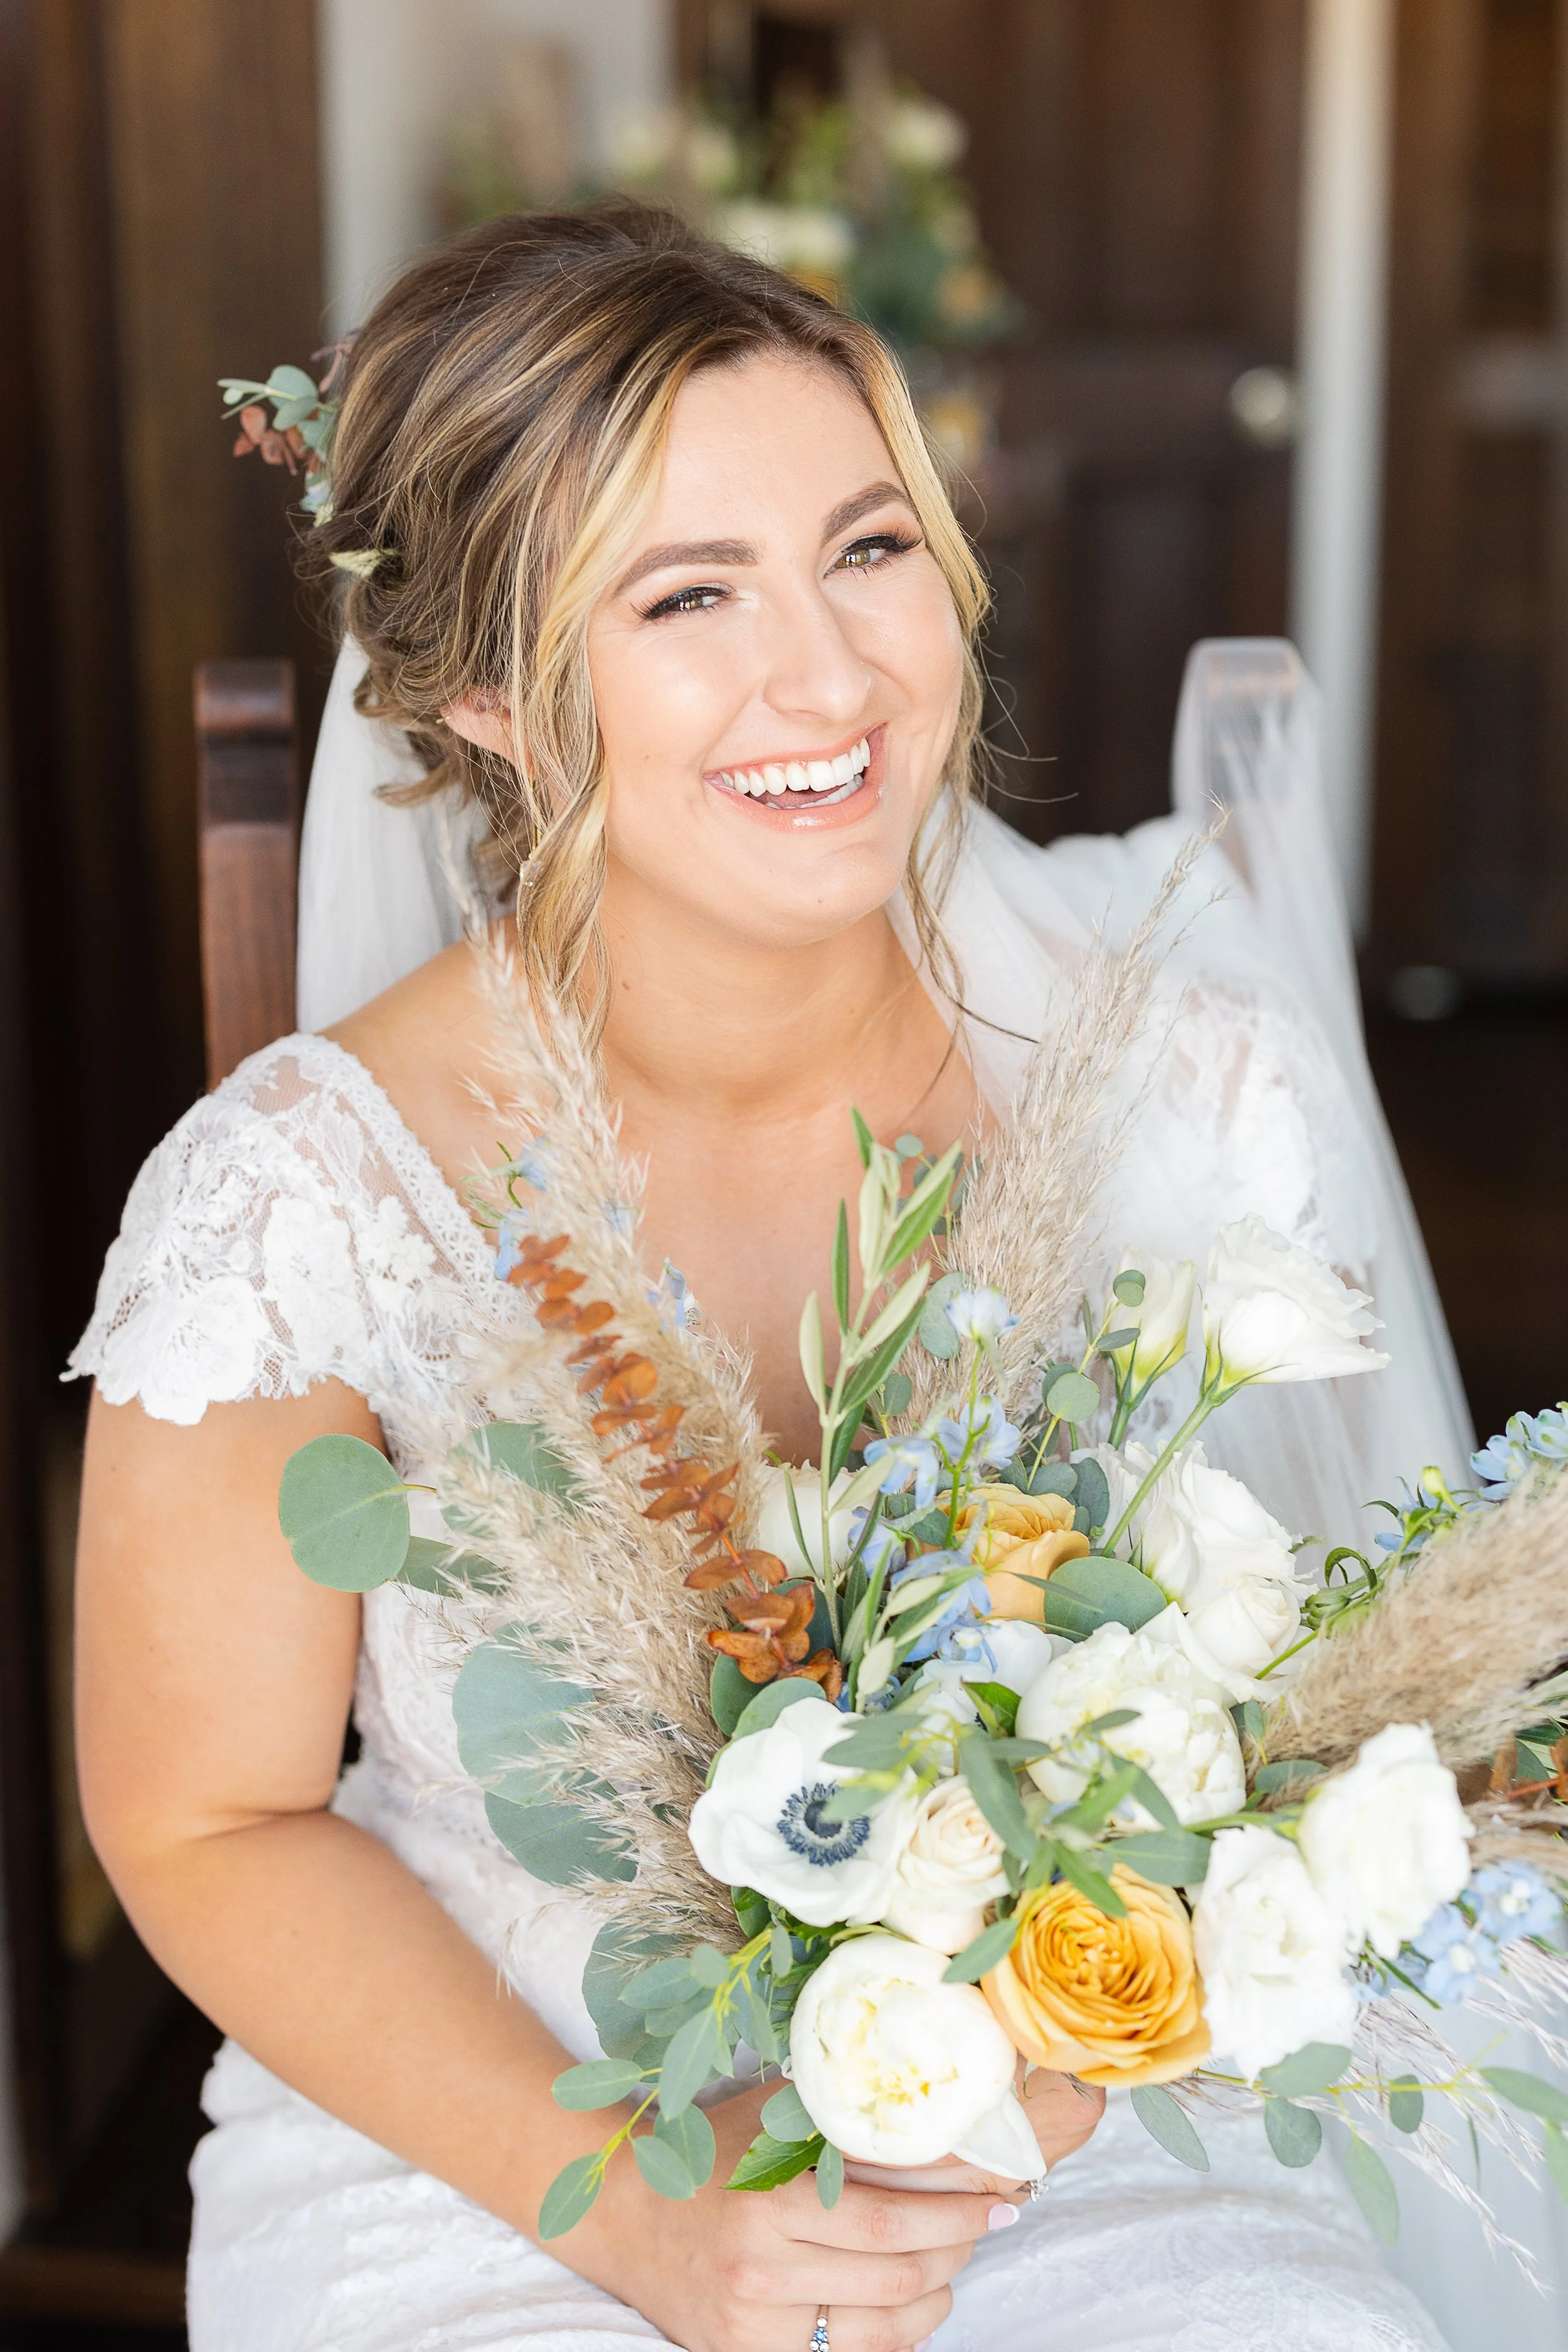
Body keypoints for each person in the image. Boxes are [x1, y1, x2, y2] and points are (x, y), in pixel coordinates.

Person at [71, 201, 1462, 2351]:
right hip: (487, 2120)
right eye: (684, 593)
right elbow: (205, 1813)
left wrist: (1086, 2013)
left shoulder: (1177, 1083)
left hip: (1063, 2108)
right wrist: (632, 2211)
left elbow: (1281, 1705)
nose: (826, 675)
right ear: (481, 699)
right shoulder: (300, 1205)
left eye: (870, 547)